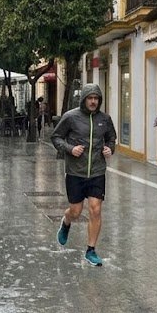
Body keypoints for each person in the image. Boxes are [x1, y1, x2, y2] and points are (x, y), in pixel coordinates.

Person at [51, 83, 117, 266]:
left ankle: (91, 250)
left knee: (95, 209)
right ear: (84, 100)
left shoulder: (105, 119)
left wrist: (109, 149)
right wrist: (70, 149)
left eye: (96, 98)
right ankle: (66, 222)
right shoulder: (70, 117)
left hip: (97, 170)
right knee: (76, 211)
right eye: (90, 98)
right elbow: (55, 137)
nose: (93, 101)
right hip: (75, 172)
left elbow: (112, 138)